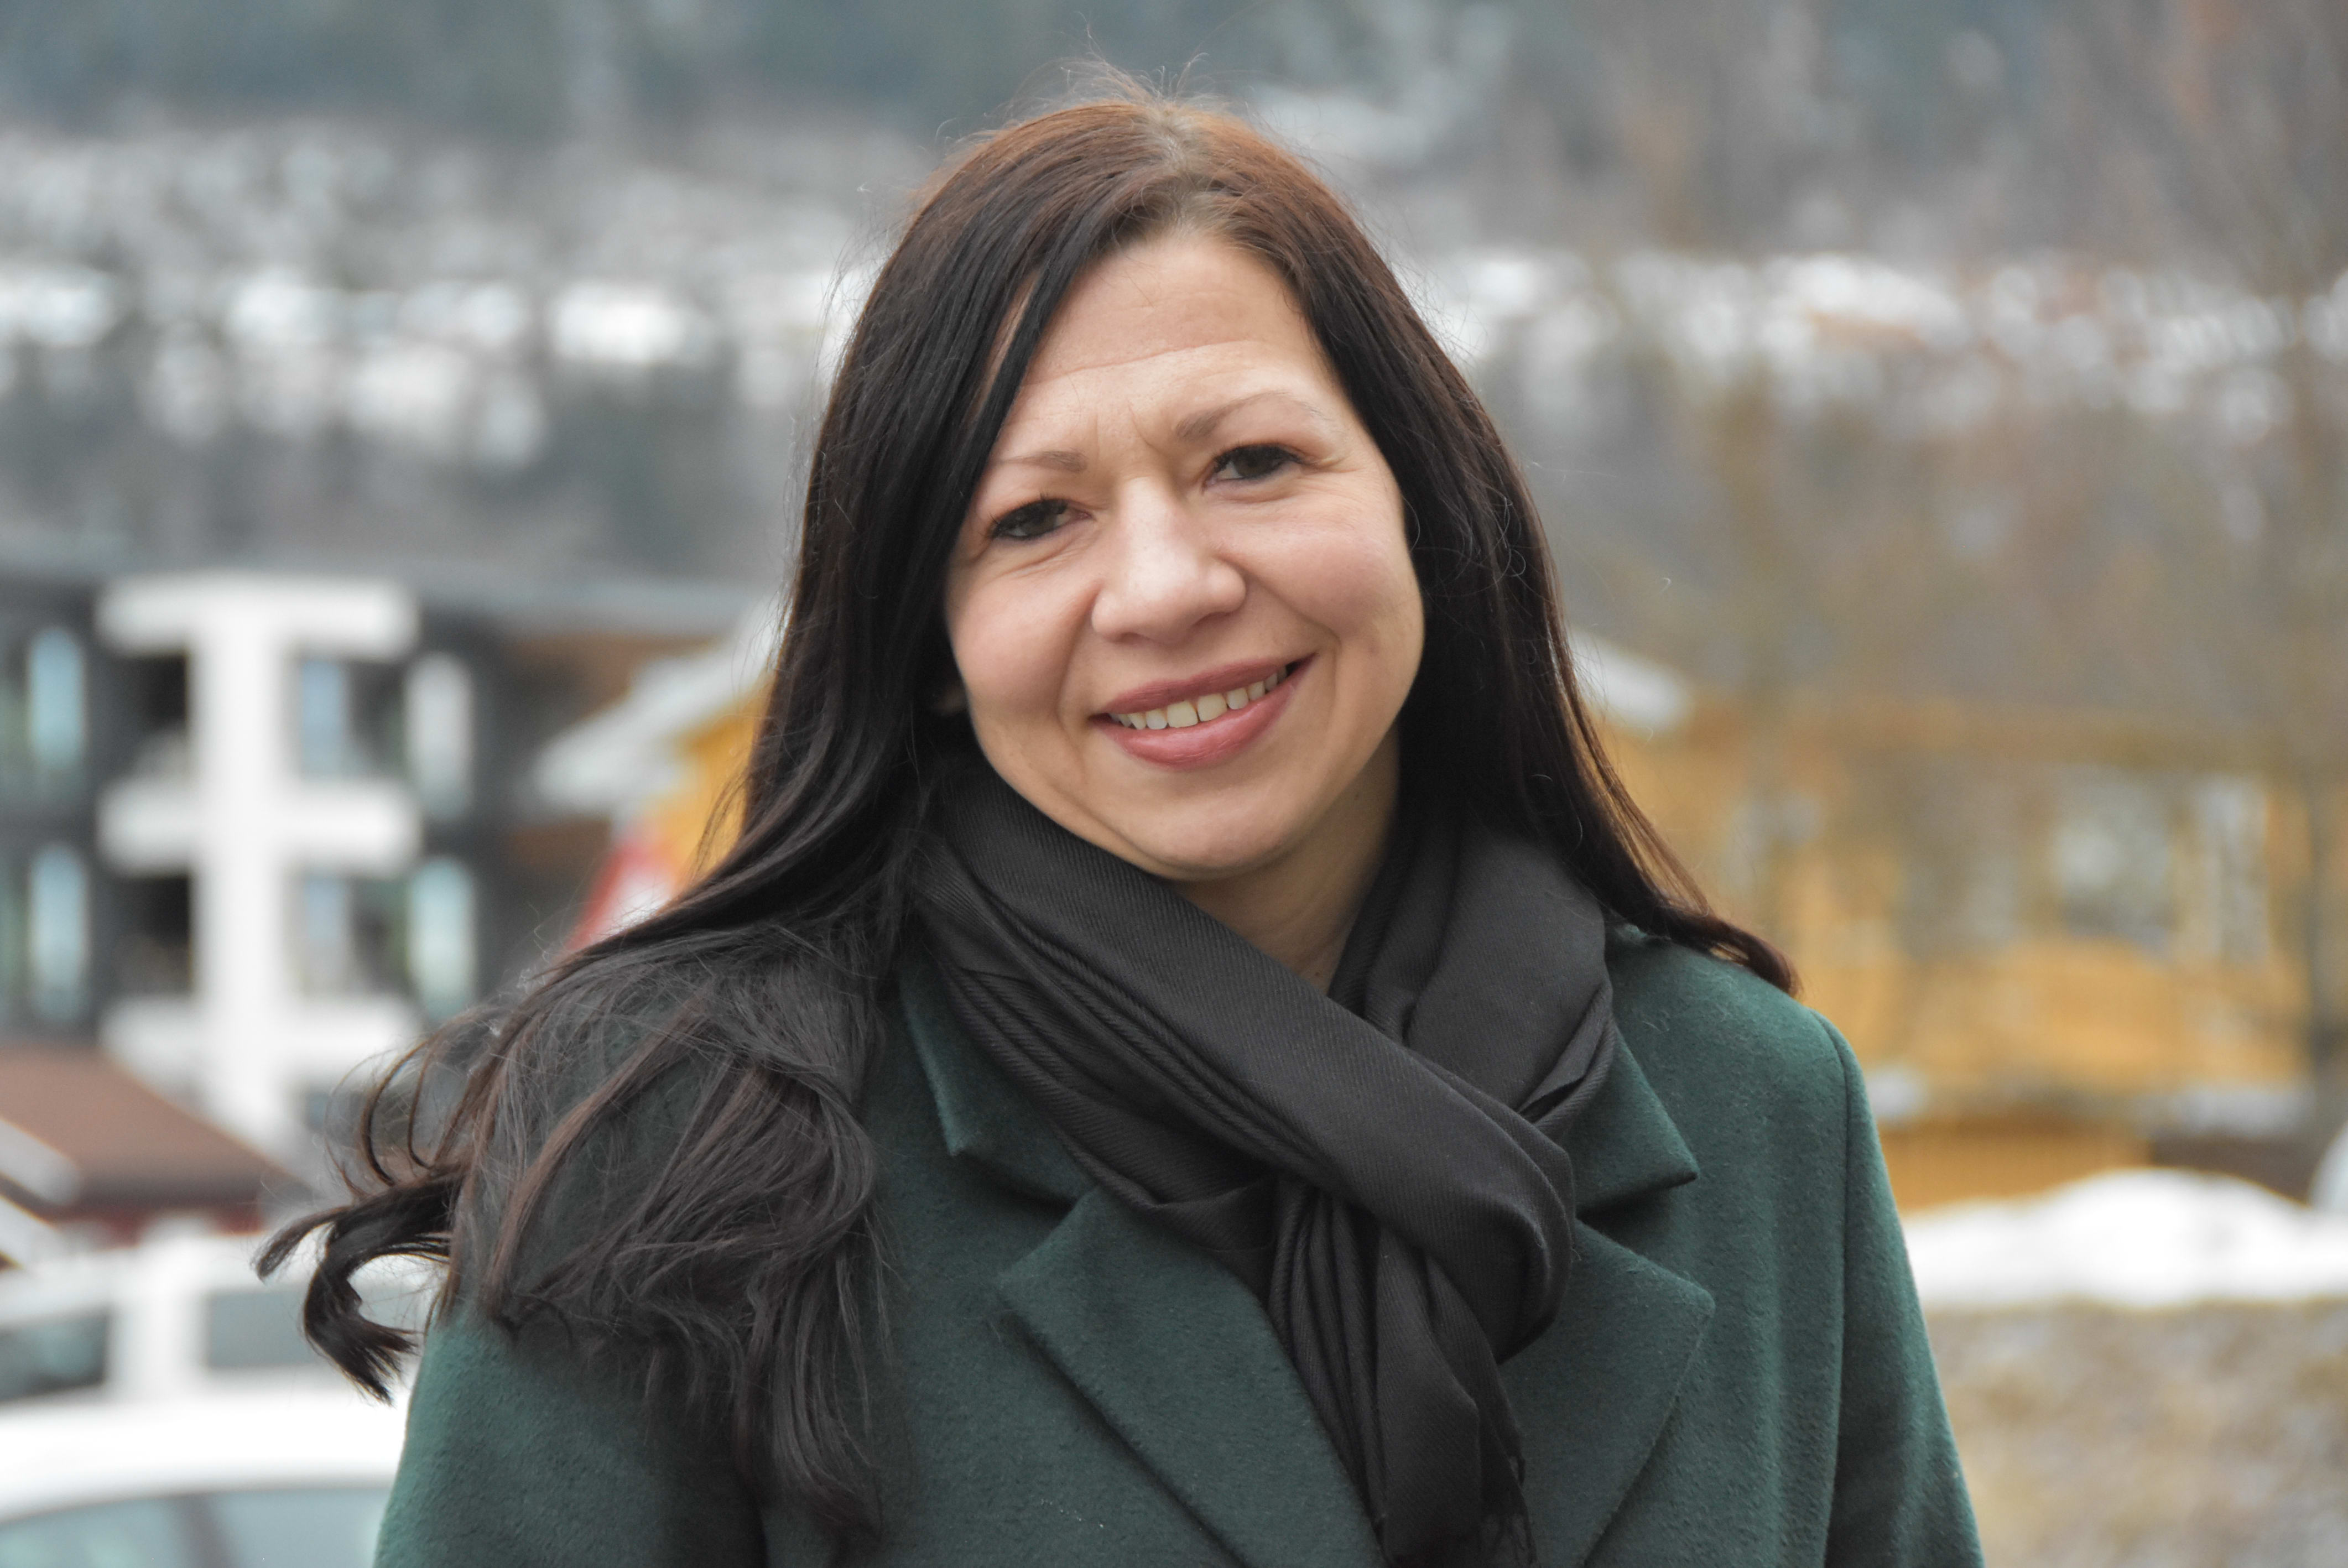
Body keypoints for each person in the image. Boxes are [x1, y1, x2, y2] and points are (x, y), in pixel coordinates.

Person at [277, 90, 1983, 1568]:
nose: (1166, 586)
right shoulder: (679, 1144)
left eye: (1252, 462)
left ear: (1421, 502)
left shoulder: (1758, 1111)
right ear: (928, 635)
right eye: (1035, 519)